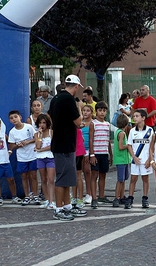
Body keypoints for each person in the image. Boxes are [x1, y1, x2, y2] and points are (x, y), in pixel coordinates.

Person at [49, 74, 87, 221]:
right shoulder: (69, 99)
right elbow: (78, 121)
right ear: (76, 86)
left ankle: (67, 206)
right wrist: (79, 107)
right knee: (63, 178)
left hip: (60, 141)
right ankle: (59, 208)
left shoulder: (56, 98)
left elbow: (52, 117)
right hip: (65, 143)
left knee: (66, 177)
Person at [8, 110, 39, 206]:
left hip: (32, 155)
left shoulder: (29, 127)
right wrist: (18, 145)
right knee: (24, 177)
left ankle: (35, 195)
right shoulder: (12, 132)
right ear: (10, 121)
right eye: (11, 118)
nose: (14, 119)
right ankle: (27, 196)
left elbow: (36, 138)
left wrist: (28, 142)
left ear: (20, 117)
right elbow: (11, 146)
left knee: (33, 175)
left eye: (15, 117)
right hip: (21, 157)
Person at [125, 109, 154, 209]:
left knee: (145, 179)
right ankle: (130, 198)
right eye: (134, 116)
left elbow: (152, 146)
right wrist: (134, 157)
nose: (134, 118)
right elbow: (129, 145)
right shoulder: (132, 131)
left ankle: (145, 198)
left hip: (146, 160)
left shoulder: (150, 130)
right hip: (135, 160)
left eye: (137, 116)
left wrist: (150, 159)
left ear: (143, 118)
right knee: (133, 179)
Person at [0, 118, 21, 206]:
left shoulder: (4, 135)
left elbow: (10, 144)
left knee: (11, 179)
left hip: (5, 161)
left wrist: (11, 150)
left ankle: (14, 196)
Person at [89, 101, 113, 208]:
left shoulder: (107, 124)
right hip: (96, 153)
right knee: (94, 175)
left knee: (103, 175)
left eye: (104, 111)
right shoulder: (93, 123)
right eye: (100, 110)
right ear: (96, 111)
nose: (102, 113)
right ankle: (94, 198)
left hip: (104, 153)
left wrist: (110, 154)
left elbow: (108, 140)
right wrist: (92, 154)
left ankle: (101, 196)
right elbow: (90, 139)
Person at [34, 114, 56, 210]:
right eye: (40, 123)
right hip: (40, 158)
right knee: (43, 179)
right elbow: (38, 146)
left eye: (44, 123)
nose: (42, 125)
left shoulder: (52, 133)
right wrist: (40, 135)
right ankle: (47, 199)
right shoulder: (36, 134)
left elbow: (53, 146)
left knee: (51, 179)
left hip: (50, 157)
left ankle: (52, 200)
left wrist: (42, 150)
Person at [112, 113, 131, 207]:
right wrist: (128, 146)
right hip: (121, 159)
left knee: (123, 179)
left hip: (124, 159)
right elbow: (120, 147)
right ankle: (116, 197)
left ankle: (122, 196)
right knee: (120, 179)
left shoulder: (117, 132)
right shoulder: (122, 133)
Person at [81, 105, 93, 204]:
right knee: (79, 172)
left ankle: (89, 193)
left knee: (87, 171)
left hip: (89, 150)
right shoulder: (79, 123)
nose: (85, 112)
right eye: (84, 110)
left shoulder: (92, 124)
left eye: (87, 111)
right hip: (79, 150)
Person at [72, 126, 86, 209]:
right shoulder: (77, 129)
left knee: (78, 175)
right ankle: (75, 197)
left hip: (77, 152)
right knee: (75, 176)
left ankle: (80, 198)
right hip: (75, 152)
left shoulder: (75, 129)